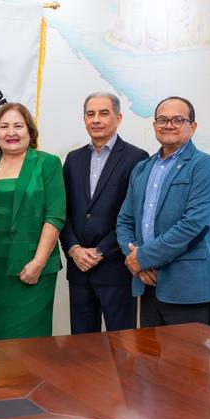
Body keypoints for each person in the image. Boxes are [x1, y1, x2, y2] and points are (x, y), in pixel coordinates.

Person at [116, 96, 210, 327]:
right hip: (147, 284)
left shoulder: (204, 165)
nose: (169, 125)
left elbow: (193, 225)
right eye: (162, 120)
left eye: (178, 120)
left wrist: (143, 258)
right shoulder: (142, 168)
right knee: (148, 352)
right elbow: (124, 221)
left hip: (187, 288)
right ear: (155, 125)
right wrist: (134, 259)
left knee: (188, 353)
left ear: (192, 126)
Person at [60, 92, 149, 333]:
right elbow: (63, 211)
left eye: (104, 113)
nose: (96, 119)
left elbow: (135, 215)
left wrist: (101, 251)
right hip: (79, 269)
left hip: (116, 269)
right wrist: (73, 248)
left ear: (118, 118)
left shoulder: (137, 158)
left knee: (120, 346)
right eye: (90, 114)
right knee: (81, 346)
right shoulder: (73, 159)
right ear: (84, 120)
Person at [0, 103, 66, 340]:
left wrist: (38, 262)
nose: (11, 132)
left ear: (30, 131)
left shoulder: (47, 164)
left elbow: (55, 216)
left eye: (18, 126)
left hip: (32, 268)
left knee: (29, 344)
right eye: (4, 126)